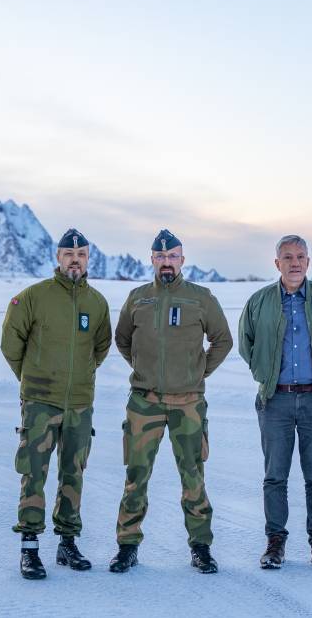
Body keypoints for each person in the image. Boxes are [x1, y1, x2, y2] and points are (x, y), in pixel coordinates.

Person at [109, 229, 233, 574]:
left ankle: (201, 547)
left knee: (193, 476)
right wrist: (143, 368)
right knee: (136, 476)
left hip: (188, 404)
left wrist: (197, 373)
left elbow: (222, 340)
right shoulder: (137, 298)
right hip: (144, 403)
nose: (167, 262)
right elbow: (122, 340)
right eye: (160, 257)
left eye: (173, 256)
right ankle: (127, 545)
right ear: (152, 259)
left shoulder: (201, 298)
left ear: (182, 259)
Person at [0, 228, 112, 580]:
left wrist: (78, 378)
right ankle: (30, 548)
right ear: (58, 258)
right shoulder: (33, 297)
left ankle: (67, 543)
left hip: (80, 402)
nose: (74, 260)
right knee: (34, 471)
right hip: (40, 401)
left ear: (88, 258)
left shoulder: (97, 303)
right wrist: (33, 378)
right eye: (68, 254)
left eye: (80, 255)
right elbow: (10, 343)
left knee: (73, 473)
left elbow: (100, 348)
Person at [238, 235, 312, 570]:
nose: (295, 262)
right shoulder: (260, 301)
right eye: (287, 257)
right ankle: (275, 542)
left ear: (308, 261)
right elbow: (247, 342)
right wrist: (264, 371)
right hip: (276, 400)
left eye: (300, 256)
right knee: (275, 476)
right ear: (277, 263)